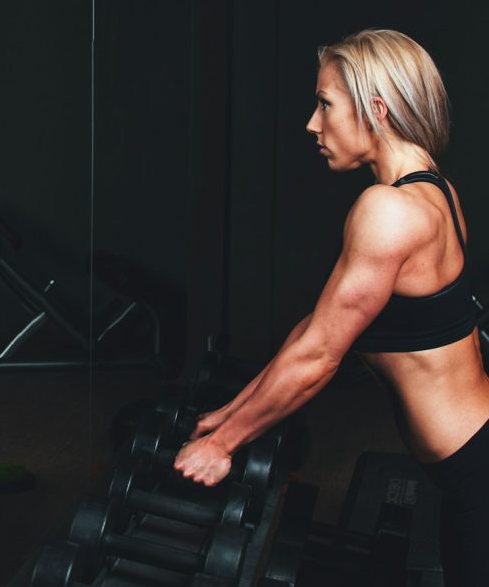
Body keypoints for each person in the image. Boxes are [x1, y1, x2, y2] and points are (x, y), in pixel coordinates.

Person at [173, 29, 489, 585]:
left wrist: (222, 448)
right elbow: (316, 329)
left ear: (376, 109)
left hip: (476, 471)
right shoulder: (435, 190)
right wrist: (231, 415)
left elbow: (322, 356)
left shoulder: (387, 211)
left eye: (324, 104)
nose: (312, 124)